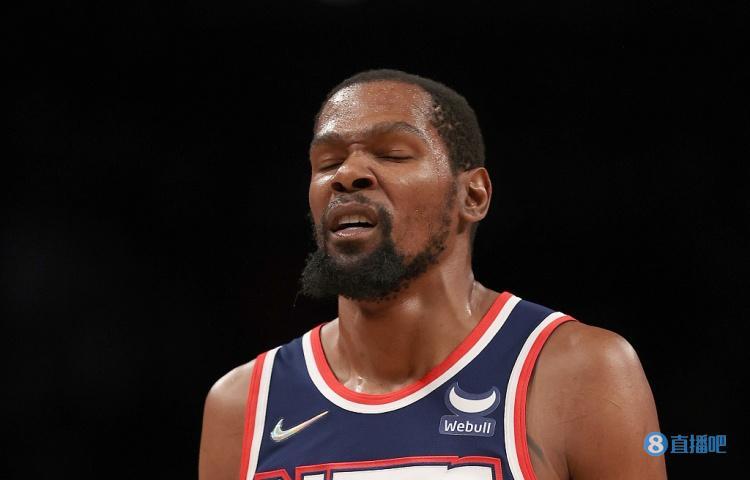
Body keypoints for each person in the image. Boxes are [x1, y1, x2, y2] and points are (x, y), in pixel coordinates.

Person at [199, 69, 667, 480]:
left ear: (473, 196)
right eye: (328, 162)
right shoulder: (242, 405)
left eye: (392, 154)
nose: (348, 173)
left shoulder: (581, 373)